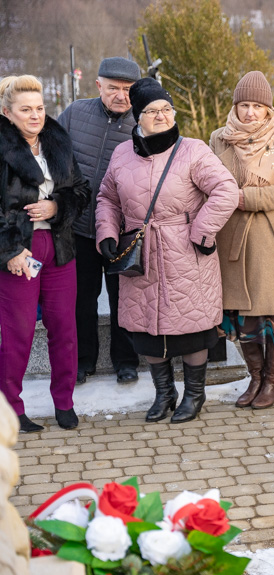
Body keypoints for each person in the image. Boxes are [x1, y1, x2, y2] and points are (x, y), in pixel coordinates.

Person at [96, 78, 239, 423]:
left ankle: (194, 395)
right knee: (145, 330)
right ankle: (164, 393)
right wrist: (107, 232)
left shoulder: (193, 150)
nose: (161, 116)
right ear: (137, 116)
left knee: (192, 329)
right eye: (151, 111)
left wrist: (201, 231)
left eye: (166, 109)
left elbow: (226, 190)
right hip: (141, 254)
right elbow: (107, 198)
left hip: (186, 253)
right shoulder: (121, 154)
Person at [0, 75, 89, 432]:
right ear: (7, 113)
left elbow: (81, 189)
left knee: (65, 329)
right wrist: (9, 251)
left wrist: (56, 207)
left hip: (59, 248)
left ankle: (64, 403)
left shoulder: (57, 142)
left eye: (39, 108)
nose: (35, 116)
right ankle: (11, 411)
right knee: (18, 333)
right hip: (19, 252)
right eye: (26, 110)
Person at [209, 72, 274, 410]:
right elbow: (209, 182)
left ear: (268, 110)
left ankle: (273, 381)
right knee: (245, 314)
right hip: (232, 235)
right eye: (244, 105)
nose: (250, 112)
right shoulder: (219, 139)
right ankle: (255, 376)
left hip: (271, 238)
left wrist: (246, 197)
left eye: (258, 106)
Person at [57, 57, 141, 385]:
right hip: (78, 227)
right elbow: (50, 154)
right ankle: (82, 360)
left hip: (123, 230)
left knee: (124, 297)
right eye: (113, 88)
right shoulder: (76, 113)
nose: (120, 95)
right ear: (98, 86)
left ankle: (126, 361)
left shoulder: (144, 121)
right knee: (81, 298)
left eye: (127, 90)